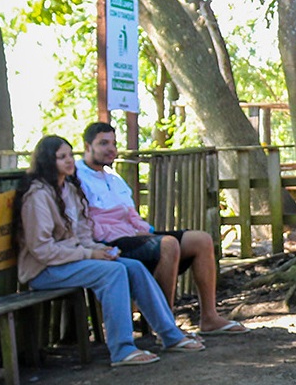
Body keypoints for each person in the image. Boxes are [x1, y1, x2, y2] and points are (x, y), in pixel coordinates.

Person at [17, 135, 203, 368]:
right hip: (43, 270)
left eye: (70, 155)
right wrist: (89, 254)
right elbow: (42, 250)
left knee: (132, 266)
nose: (69, 161)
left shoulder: (69, 190)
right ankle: (122, 349)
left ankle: (170, 335)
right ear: (47, 161)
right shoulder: (38, 196)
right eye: (61, 157)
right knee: (113, 272)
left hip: (69, 261)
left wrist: (100, 249)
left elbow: (82, 235)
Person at [74, 122, 240, 333]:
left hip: (132, 235)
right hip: (106, 242)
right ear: (87, 146)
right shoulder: (77, 177)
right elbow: (85, 220)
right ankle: (166, 326)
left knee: (201, 240)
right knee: (167, 245)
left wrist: (147, 231)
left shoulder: (114, 178)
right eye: (103, 143)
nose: (111, 149)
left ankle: (209, 317)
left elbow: (130, 214)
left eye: (114, 143)